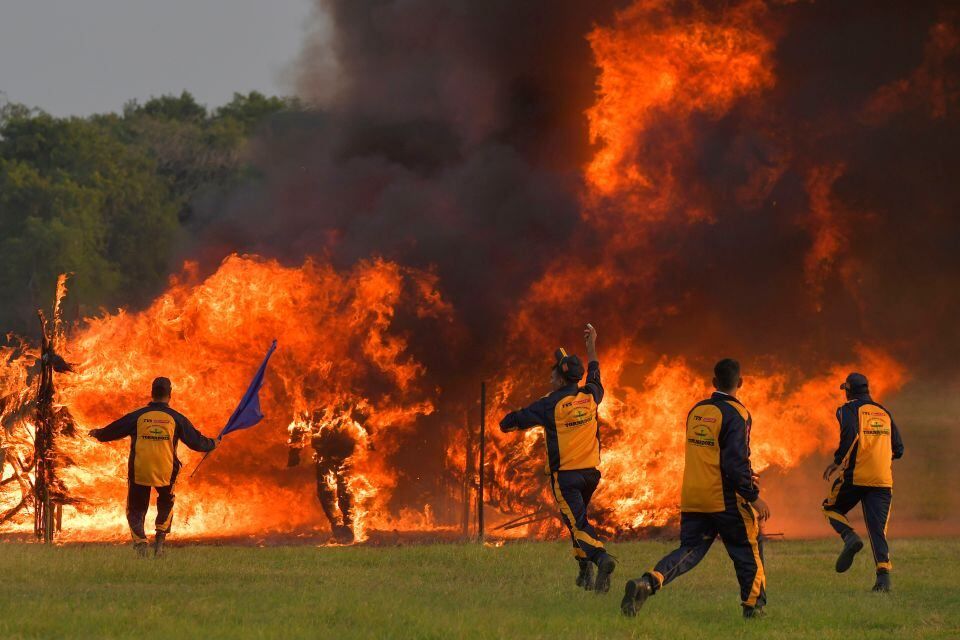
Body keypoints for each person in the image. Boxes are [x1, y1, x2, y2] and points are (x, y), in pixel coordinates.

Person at [621, 358, 771, 619]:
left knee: (690, 550)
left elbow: (709, 453)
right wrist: (753, 496)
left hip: (693, 496)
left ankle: (648, 583)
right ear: (741, 383)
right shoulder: (738, 414)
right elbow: (735, 462)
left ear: (714, 383)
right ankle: (754, 607)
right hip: (724, 498)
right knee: (747, 549)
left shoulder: (697, 411)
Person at [499, 324, 617, 593]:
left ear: (560, 379)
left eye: (554, 370)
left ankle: (601, 558)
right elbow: (596, 370)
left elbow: (511, 423)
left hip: (566, 478)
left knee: (578, 524)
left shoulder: (549, 404)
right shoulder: (591, 394)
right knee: (575, 523)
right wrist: (591, 345)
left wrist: (506, 421)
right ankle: (584, 571)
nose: (550, 373)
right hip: (590, 475)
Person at [89, 377, 217, 557]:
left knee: (136, 507)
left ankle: (141, 544)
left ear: (152, 393)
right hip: (166, 470)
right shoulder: (176, 418)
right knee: (166, 502)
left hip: (140, 469)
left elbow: (114, 430)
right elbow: (196, 442)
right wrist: (213, 443)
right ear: (170, 395)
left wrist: (99, 433)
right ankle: (159, 545)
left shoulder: (138, 416)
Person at [822, 372, 903, 592]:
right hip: (883, 480)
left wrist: (838, 461)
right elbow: (899, 449)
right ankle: (883, 578)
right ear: (867, 390)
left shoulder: (846, 409)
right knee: (877, 528)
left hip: (856, 475)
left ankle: (850, 537)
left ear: (848, 390)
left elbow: (850, 435)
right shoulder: (884, 412)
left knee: (830, 507)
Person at [288, 404, 362, 544]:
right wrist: (294, 451)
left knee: (344, 486)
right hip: (323, 453)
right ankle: (337, 524)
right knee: (326, 489)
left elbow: (359, 415)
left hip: (343, 449)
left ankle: (348, 523)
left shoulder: (342, 399)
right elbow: (299, 423)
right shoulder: (307, 402)